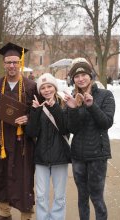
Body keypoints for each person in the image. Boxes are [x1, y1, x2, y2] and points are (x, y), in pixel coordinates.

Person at [0, 42, 37, 220]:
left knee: (23, 176)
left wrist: (29, 118)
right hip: (0, 138)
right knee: (1, 173)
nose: (12, 65)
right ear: (4, 64)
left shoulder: (31, 86)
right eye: (8, 62)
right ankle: (4, 213)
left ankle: (26, 215)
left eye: (15, 62)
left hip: (22, 139)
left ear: (20, 63)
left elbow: (38, 112)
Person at [64, 58, 115, 220]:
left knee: (97, 197)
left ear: (90, 76)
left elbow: (106, 123)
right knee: (82, 198)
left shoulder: (105, 95)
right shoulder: (72, 99)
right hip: (78, 156)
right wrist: (73, 109)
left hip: (97, 156)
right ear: (73, 80)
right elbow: (71, 129)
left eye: (84, 74)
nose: (81, 79)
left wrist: (92, 105)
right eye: (76, 76)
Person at [26, 73, 71, 220]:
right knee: (41, 195)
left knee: (59, 195)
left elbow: (66, 129)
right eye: (43, 88)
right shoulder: (38, 105)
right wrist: (35, 111)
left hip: (60, 157)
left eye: (49, 86)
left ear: (55, 87)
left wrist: (55, 108)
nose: (46, 90)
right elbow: (31, 132)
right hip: (41, 158)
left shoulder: (64, 104)